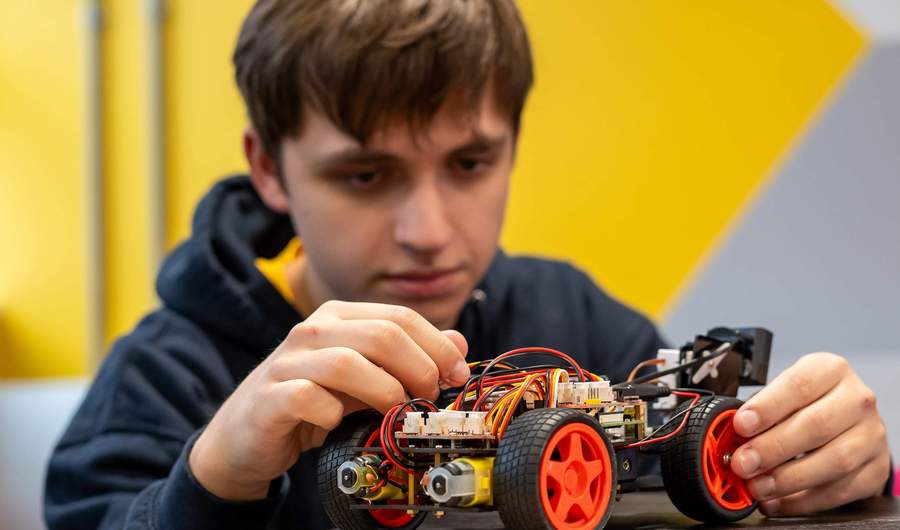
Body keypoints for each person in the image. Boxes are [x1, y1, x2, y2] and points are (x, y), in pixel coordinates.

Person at [44, 1, 893, 529]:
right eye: (366, 175)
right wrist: (212, 481)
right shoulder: (165, 374)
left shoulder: (577, 323)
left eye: (471, 164)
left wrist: (837, 471)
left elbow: (684, 473)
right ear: (268, 168)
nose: (429, 231)